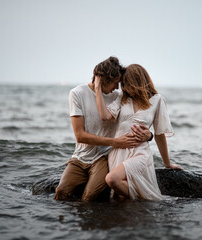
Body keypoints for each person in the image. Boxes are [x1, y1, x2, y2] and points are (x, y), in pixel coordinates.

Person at [54, 57, 152, 201]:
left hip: (103, 157)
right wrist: (115, 142)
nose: (117, 87)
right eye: (115, 82)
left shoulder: (119, 97)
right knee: (61, 192)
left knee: (90, 197)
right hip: (79, 157)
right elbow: (80, 136)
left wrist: (149, 135)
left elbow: (138, 117)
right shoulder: (77, 93)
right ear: (103, 79)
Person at [95, 64, 183, 200]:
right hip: (118, 153)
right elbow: (105, 116)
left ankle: (146, 199)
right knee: (120, 198)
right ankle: (140, 206)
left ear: (138, 82)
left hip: (140, 153)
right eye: (123, 85)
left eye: (128, 85)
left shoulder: (156, 100)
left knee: (112, 179)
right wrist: (97, 88)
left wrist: (167, 163)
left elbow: (159, 134)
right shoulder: (122, 98)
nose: (125, 89)